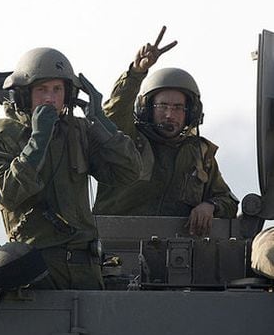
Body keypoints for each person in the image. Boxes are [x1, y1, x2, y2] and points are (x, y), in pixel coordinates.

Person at [0, 47, 142, 290]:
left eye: (57, 90)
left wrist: (102, 124)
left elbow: (129, 172)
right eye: (41, 90)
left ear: (69, 95)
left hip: (86, 267)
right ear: (23, 95)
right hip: (37, 270)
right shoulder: (0, 136)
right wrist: (37, 143)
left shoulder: (78, 131)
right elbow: (6, 193)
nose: (49, 98)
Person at [93, 27, 239, 237]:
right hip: (116, 246)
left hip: (177, 254)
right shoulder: (126, 140)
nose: (170, 114)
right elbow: (113, 114)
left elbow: (228, 201)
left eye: (178, 107)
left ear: (191, 113)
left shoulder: (199, 154)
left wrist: (210, 206)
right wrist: (136, 73)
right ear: (146, 108)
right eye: (162, 106)